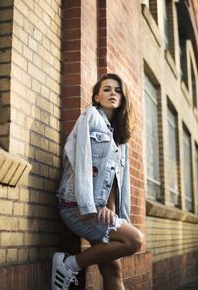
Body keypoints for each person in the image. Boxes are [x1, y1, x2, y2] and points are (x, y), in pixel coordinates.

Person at [52, 73, 144, 290]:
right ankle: (69, 264)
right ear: (96, 96)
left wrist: (117, 216)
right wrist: (96, 207)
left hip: (100, 213)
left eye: (118, 90)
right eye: (107, 89)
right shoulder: (89, 118)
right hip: (77, 207)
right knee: (135, 240)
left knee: (113, 271)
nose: (113, 93)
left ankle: (70, 264)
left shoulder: (121, 137)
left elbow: (117, 184)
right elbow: (82, 163)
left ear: (123, 98)